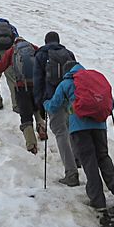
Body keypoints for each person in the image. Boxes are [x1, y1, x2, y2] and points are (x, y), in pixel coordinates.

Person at [44, 61, 114, 211]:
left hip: (79, 127)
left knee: (89, 161)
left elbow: (54, 106)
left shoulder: (67, 82)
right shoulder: (95, 79)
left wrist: (45, 104)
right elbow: (111, 103)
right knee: (103, 156)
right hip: (99, 125)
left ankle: (98, 200)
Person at [34, 31, 80, 186]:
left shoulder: (41, 55)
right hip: (70, 99)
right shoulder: (69, 53)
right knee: (71, 128)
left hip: (53, 99)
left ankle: (71, 173)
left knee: (60, 133)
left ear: (46, 41)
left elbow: (38, 80)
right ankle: (77, 158)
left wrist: (40, 104)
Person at [0, 36, 47, 154]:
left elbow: (0, 68)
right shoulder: (33, 47)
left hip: (21, 87)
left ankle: (31, 144)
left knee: (25, 114)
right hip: (36, 85)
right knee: (36, 107)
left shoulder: (12, 50)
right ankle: (41, 127)